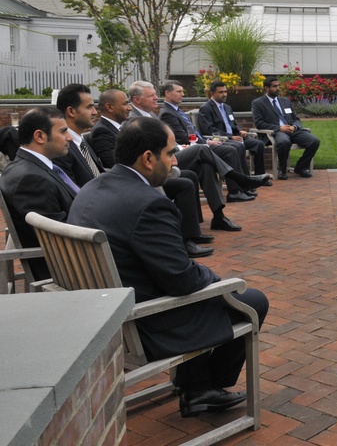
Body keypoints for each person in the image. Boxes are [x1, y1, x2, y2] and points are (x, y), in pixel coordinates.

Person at [67, 117, 269, 418]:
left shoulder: (92, 187)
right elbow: (183, 281)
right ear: (148, 158)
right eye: (171, 153)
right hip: (139, 325)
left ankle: (197, 385)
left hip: (101, 309)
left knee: (198, 294)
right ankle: (205, 390)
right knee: (249, 299)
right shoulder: (149, 203)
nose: (174, 162)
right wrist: (218, 280)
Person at [55, 84, 214, 257]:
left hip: (107, 196)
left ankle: (187, 235)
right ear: (71, 111)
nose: (95, 111)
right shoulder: (67, 147)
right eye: (89, 107)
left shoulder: (80, 142)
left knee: (188, 174)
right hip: (106, 205)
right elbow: (110, 167)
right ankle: (179, 238)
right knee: (176, 171)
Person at [92, 88, 245, 233]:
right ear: (109, 107)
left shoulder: (143, 118)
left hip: (160, 159)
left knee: (204, 166)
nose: (129, 107)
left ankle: (213, 219)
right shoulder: (106, 129)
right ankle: (236, 179)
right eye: (125, 103)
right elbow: (116, 162)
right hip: (145, 170)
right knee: (201, 150)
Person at [157, 80, 268, 203]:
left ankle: (241, 186)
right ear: (167, 93)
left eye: (182, 91)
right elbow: (184, 138)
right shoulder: (167, 113)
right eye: (179, 91)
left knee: (239, 146)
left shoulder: (176, 110)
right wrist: (207, 141)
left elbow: (232, 125)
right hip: (190, 148)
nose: (182, 94)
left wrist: (211, 140)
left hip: (202, 142)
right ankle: (236, 190)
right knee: (231, 149)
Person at [0, 106, 76, 279]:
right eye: (63, 131)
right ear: (40, 136)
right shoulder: (31, 179)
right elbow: (59, 238)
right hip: (69, 272)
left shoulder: (25, 167)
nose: (69, 137)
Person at [251, 77, 320, 180]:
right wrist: (279, 127)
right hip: (276, 132)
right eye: (275, 86)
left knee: (314, 141)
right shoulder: (258, 103)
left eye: (278, 86)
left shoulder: (285, 101)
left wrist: (294, 126)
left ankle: (300, 167)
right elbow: (259, 123)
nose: (278, 88)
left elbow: (296, 119)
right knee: (284, 142)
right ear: (266, 88)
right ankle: (282, 170)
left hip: (292, 130)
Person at [197, 81, 266, 176]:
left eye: (225, 92)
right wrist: (230, 137)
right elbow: (208, 129)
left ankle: (259, 175)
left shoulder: (227, 107)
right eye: (221, 92)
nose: (224, 94)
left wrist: (239, 130)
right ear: (212, 94)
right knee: (238, 146)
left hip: (234, 137)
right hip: (221, 140)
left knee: (258, 144)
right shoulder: (206, 108)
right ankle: (244, 178)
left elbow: (232, 124)